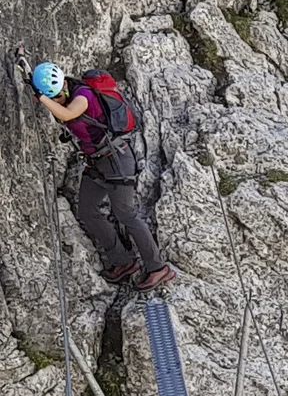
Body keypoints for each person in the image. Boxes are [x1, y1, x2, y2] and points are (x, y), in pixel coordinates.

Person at [25, 60, 176, 288]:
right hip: (97, 163)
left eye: (55, 96)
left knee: (126, 214)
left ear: (63, 86)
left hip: (117, 161)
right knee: (87, 211)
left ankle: (158, 268)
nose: (55, 100)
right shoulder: (65, 91)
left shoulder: (83, 95)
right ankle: (123, 261)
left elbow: (67, 114)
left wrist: (42, 98)